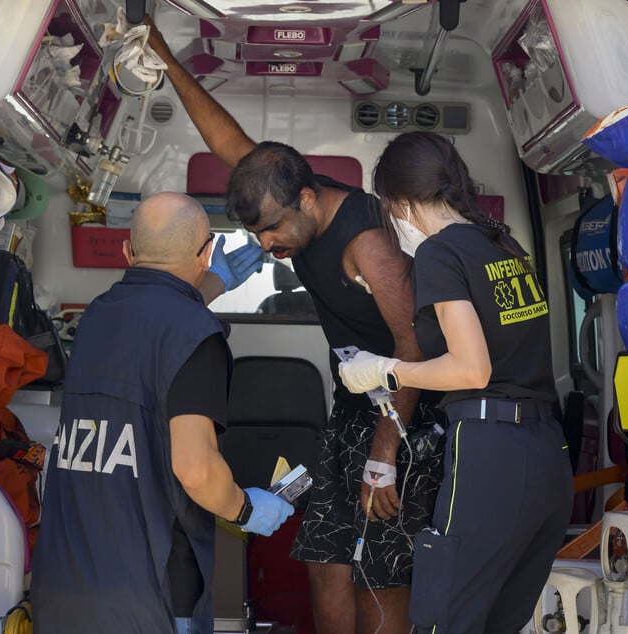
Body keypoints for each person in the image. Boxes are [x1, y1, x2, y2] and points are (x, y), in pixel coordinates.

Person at [146, 24, 446, 634]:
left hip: (403, 413)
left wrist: (386, 453)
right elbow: (230, 141)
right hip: (352, 409)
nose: (266, 246)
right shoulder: (282, 194)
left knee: (378, 573)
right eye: (256, 235)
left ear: (308, 198)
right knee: (326, 564)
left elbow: (414, 345)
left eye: (273, 230)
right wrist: (164, 56)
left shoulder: (367, 241)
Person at [338, 131, 574, 633]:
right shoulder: (502, 243)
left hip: (489, 452)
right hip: (547, 455)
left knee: (445, 620)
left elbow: (472, 370)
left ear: (400, 203)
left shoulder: (440, 254)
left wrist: (386, 369)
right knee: (499, 622)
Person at [31, 192, 294, 634]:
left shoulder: (96, 318)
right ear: (207, 253)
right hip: (150, 597)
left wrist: (213, 285)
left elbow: (154, 326)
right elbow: (195, 469)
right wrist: (247, 510)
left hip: (64, 589)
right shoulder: (196, 337)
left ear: (127, 252)